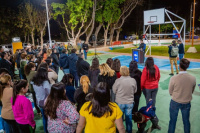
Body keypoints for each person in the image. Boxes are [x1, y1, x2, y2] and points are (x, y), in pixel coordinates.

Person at [168, 58, 196, 133]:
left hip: (175, 102)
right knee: (186, 122)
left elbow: (170, 91)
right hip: (186, 102)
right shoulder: (193, 78)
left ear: (179, 66)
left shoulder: (174, 78)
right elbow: (192, 91)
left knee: (172, 122)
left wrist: (176, 95)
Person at [113, 66, 137, 133]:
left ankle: (118, 131)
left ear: (121, 72)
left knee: (119, 119)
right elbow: (135, 91)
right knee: (128, 118)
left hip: (120, 102)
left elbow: (114, 90)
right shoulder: (133, 80)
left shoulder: (118, 81)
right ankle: (129, 131)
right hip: (129, 102)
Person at [32, 67, 51, 133]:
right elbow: (49, 91)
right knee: (49, 118)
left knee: (44, 118)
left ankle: (46, 131)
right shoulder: (45, 82)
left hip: (39, 101)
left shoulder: (34, 81)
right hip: (47, 103)